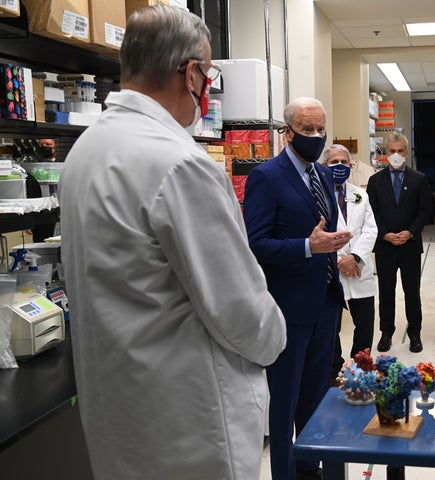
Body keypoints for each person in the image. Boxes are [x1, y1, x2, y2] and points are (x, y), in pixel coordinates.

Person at [58, 6, 287, 480]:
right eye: (208, 73)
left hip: (123, 412)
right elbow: (241, 311)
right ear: (191, 74)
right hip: (191, 424)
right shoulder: (178, 162)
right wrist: (276, 336)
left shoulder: (87, 149)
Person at [243, 97, 352, 480]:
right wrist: (309, 246)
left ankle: (310, 470)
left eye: (322, 129)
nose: (317, 137)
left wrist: (331, 246)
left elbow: (324, 231)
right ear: (287, 133)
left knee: (315, 400)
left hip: (325, 304)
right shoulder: (266, 177)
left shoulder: (322, 175)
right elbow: (254, 243)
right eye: (308, 130)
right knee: (285, 403)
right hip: (288, 310)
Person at [366, 132, 432, 354]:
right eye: (392, 151)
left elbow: (424, 211)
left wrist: (410, 232)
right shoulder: (375, 181)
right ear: (386, 154)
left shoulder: (419, 179)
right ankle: (386, 333)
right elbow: (371, 211)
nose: (396, 155)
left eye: (400, 151)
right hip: (385, 246)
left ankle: (415, 334)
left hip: (410, 246)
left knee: (412, 292)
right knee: (386, 292)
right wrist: (383, 234)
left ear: (406, 152)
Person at [319, 144, 378, 383]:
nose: (340, 166)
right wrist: (340, 260)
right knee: (332, 325)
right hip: (333, 270)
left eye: (344, 162)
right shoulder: (317, 197)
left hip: (359, 268)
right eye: (334, 162)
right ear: (324, 166)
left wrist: (355, 258)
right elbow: (318, 235)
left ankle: (360, 368)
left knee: (364, 323)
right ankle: (334, 370)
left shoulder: (359, 194)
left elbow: (370, 229)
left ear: (351, 165)